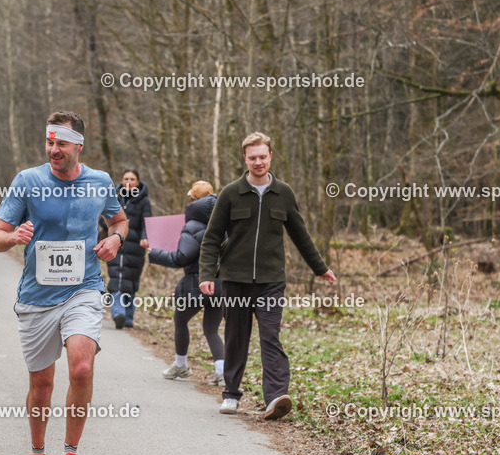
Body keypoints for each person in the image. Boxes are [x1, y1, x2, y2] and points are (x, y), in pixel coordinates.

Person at [0, 110, 128, 455]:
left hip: (83, 288)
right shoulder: (28, 181)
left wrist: (115, 240)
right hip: (36, 295)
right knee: (42, 385)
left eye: (61, 143)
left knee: (81, 368)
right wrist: (14, 236)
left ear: (78, 146)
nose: (53, 149)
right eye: (50, 142)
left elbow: (120, 221)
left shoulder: (99, 182)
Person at [199, 132, 335, 420]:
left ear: (270, 156)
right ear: (245, 159)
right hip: (234, 280)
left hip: (271, 281)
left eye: (263, 156)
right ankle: (231, 395)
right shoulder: (230, 193)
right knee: (236, 337)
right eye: (252, 157)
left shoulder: (283, 193)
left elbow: (300, 234)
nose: (258, 161)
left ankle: (275, 398)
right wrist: (207, 274)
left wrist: (320, 267)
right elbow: (211, 238)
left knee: (271, 335)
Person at [145, 181, 224, 385]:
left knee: (180, 321)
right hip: (221, 284)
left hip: (196, 284)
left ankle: (181, 366)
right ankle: (222, 371)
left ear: (194, 200)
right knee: (211, 329)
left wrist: (155, 253)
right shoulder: (224, 222)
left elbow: (181, 258)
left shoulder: (192, 225)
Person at [104, 169, 151, 329]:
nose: (128, 181)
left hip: (136, 246)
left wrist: (146, 237)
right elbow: (104, 217)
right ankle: (118, 313)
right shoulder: (114, 197)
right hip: (115, 242)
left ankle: (129, 316)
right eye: (126, 178)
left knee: (131, 280)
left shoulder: (144, 201)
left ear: (138, 182)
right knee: (116, 278)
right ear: (122, 180)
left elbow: (147, 221)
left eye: (132, 179)